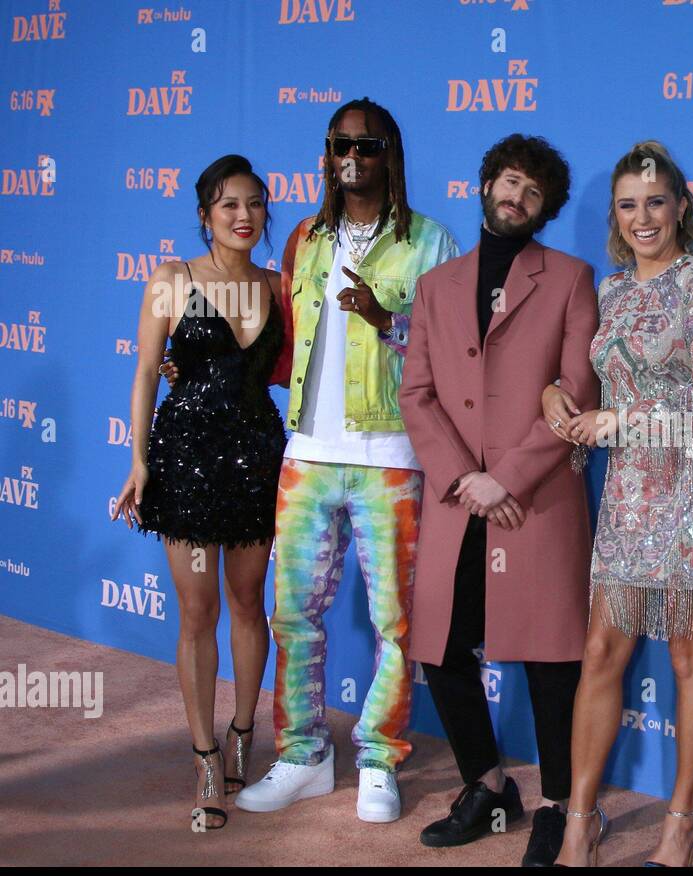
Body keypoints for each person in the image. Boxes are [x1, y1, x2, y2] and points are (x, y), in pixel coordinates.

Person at [234, 98, 459, 824]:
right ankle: (303, 755)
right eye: (339, 144)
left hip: (391, 452)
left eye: (366, 143)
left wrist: (386, 320)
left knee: (397, 623)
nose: (351, 155)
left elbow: (453, 355)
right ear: (327, 154)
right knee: (293, 615)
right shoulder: (304, 237)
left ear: (390, 151)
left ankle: (379, 758)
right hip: (306, 452)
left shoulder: (431, 242)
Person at [546, 141, 693, 867]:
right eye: (628, 205)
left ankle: (681, 820)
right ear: (615, 216)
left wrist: (619, 423)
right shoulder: (608, 293)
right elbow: (585, 389)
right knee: (601, 652)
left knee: (691, 657)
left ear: (682, 208)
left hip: (692, 495)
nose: (643, 217)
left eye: (656, 202)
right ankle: (579, 820)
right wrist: (558, 401)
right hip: (628, 496)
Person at [399, 134, 599, 867]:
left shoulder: (573, 279)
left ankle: (558, 806)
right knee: (442, 648)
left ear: (545, 209)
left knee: (551, 661)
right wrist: (463, 479)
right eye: (510, 182)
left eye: (534, 193)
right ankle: (486, 787)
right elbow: (416, 394)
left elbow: (578, 392)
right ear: (486, 184)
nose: (518, 198)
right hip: (459, 502)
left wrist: (506, 478)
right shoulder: (435, 285)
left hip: (535, 500)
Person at [112, 154, 286, 831]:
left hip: (255, 461)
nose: (243, 216)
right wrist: (137, 460)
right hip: (185, 461)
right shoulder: (172, 279)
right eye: (227, 206)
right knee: (197, 612)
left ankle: (245, 734)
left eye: (254, 204)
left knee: (249, 602)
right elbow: (148, 370)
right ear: (205, 216)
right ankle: (206, 757)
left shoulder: (279, 285)